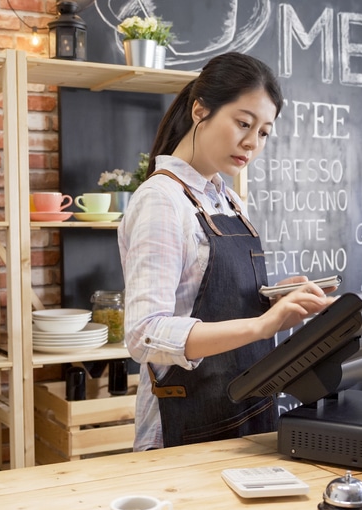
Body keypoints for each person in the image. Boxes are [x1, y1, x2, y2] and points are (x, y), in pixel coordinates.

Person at [119, 52, 334, 450]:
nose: (252, 143)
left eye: (264, 132)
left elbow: (216, 304)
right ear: (200, 109)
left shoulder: (229, 200)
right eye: (243, 123)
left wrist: (270, 302)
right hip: (187, 427)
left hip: (248, 413)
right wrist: (263, 326)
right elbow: (144, 334)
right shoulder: (162, 199)